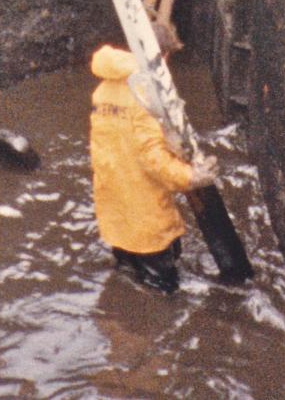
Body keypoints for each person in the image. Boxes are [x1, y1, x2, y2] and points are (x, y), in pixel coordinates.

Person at [88, 24, 218, 294]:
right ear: (164, 56)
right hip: (145, 219)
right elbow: (152, 159)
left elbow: (121, 144)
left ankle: (121, 316)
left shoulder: (105, 87)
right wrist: (192, 177)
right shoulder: (146, 94)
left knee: (125, 275)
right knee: (163, 289)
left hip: (115, 210)